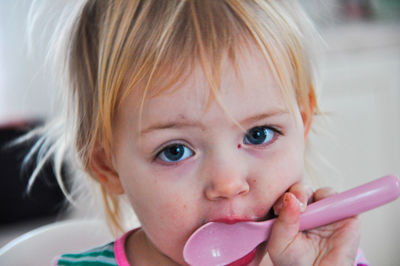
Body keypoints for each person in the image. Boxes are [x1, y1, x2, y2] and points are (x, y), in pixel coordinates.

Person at [27, 0, 369, 265]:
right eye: (175, 151)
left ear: (303, 122)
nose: (228, 184)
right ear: (107, 165)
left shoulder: (332, 257)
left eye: (259, 134)